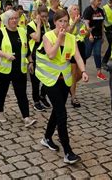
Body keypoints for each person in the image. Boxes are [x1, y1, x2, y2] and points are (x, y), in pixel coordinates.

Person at [36, 9, 89, 164]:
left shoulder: (72, 38)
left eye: (66, 21)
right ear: (55, 22)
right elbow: (51, 54)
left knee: (57, 110)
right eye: (60, 21)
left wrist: (84, 71)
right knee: (62, 114)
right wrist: (59, 39)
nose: (63, 24)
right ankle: (68, 152)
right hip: (49, 80)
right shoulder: (48, 36)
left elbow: (77, 56)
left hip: (65, 80)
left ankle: (46, 137)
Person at [0, 10, 37, 127]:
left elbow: (27, 50)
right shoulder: (0, 33)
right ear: (7, 20)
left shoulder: (22, 31)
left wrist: (30, 61)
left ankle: (26, 117)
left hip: (19, 69)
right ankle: (0, 112)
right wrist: (6, 55)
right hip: (4, 70)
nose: (14, 20)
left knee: (21, 93)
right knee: (2, 92)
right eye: (12, 18)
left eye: (16, 18)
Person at [27, 5, 51, 111]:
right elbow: (36, 39)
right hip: (34, 55)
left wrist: (46, 25)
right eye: (42, 16)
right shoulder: (30, 25)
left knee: (47, 79)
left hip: (44, 55)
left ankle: (42, 95)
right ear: (37, 15)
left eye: (46, 16)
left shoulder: (46, 25)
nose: (44, 18)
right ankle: (36, 100)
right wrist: (39, 25)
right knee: (35, 81)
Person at [67, 4, 88, 108]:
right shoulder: (68, 21)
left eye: (78, 9)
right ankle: (73, 96)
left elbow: (84, 33)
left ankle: (69, 86)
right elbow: (68, 32)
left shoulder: (82, 22)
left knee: (80, 73)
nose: (77, 10)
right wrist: (75, 22)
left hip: (81, 46)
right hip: (72, 47)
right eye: (74, 9)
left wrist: (88, 31)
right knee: (74, 73)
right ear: (70, 12)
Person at [83, 0, 106, 80]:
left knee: (97, 54)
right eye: (98, 0)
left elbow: (102, 23)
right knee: (87, 53)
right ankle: (80, 65)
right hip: (90, 36)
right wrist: (90, 35)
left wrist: (103, 35)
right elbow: (86, 24)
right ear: (93, 1)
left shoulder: (100, 10)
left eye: (100, 0)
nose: (100, 2)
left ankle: (99, 72)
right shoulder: (88, 10)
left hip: (99, 36)